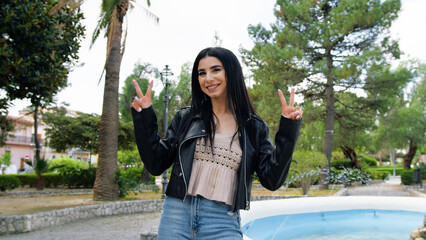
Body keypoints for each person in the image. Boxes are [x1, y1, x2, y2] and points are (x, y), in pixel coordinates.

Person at [131, 47, 303, 239]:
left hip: (222, 220)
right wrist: (144, 117)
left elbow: (272, 180)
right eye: (202, 73)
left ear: (231, 72)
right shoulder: (187, 118)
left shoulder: (253, 127)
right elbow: (156, 163)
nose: (208, 78)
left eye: (215, 70)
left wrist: (289, 129)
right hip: (177, 215)